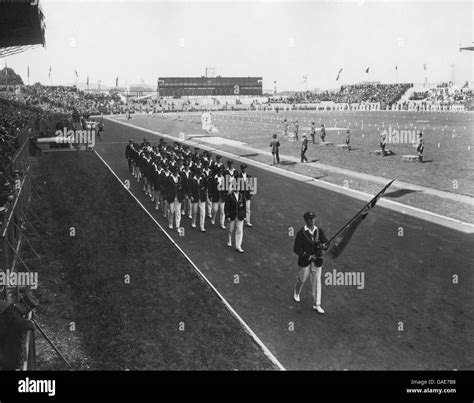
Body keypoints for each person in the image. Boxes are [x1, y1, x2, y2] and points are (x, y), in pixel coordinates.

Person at [293, 211, 330, 314]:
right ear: (306, 220)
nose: (313, 220)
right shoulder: (301, 233)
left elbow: (326, 242)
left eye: (313, 218)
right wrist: (307, 256)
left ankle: (317, 304)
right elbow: (296, 248)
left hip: (317, 260)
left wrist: (324, 246)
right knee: (302, 278)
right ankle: (296, 292)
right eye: (310, 219)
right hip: (305, 261)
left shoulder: (319, 231)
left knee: (317, 281)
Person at [225, 184, 246, 253]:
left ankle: (238, 246)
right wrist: (227, 215)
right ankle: (229, 240)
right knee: (230, 230)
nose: (237, 188)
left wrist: (244, 215)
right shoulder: (229, 196)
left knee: (239, 230)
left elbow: (244, 206)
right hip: (232, 216)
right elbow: (226, 206)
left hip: (240, 216)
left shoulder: (242, 196)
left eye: (238, 187)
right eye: (236, 187)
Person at [165, 165, 184, 230]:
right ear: (172, 172)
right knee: (171, 211)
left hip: (178, 198)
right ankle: (170, 223)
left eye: (177, 171)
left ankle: (177, 226)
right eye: (175, 171)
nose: (176, 173)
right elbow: (166, 188)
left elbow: (182, 188)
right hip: (171, 197)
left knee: (178, 212)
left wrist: (182, 196)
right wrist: (166, 197)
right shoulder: (169, 178)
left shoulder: (180, 178)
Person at [189, 167, 208, 232]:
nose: (199, 175)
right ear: (196, 173)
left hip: (202, 198)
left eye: (200, 173)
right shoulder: (192, 180)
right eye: (198, 173)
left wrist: (205, 178)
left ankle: (202, 226)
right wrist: (191, 195)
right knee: (194, 212)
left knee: (203, 213)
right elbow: (190, 189)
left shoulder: (203, 179)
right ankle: (193, 221)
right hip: (195, 198)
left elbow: (206, 185)